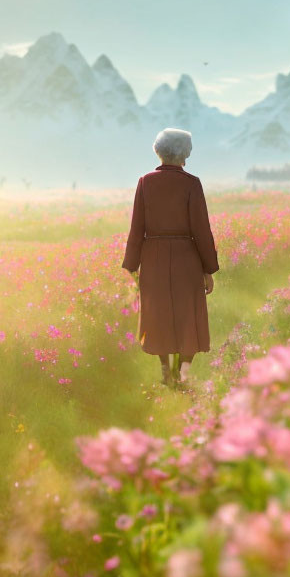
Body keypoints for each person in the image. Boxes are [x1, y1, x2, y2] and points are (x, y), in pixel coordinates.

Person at [121, 128, 219, 386]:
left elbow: (136, 227)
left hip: (152, 257)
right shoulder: (191, 183)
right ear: (184, 154)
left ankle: (166, 369)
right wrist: (208, 268)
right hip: (186, 258)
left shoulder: (145, 182)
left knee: (158, 315)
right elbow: (201, 229)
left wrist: (131, 266)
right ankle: (183, 371)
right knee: (189, 314)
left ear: (159, 151)